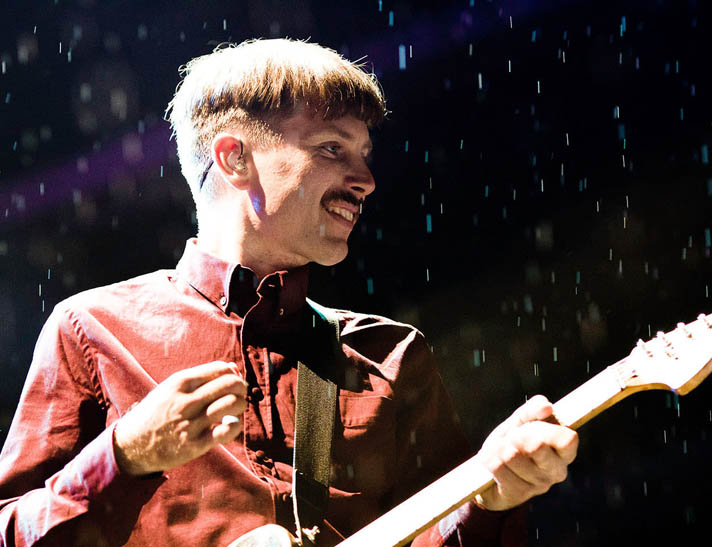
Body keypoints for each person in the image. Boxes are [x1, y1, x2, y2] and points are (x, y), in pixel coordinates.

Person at [0, 39, 578, 546]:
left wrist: (491, 499)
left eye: (365, 155)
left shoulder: (393, 357)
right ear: (234, 158)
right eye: (332, 148)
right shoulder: (91, 329)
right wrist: (125, 456)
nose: (367, 180)